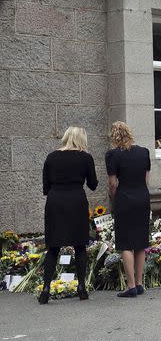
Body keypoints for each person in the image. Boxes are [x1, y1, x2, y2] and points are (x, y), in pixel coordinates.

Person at [39, 126, 98, 304]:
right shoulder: (86, 157)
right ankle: (81, 287)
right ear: (82, 139)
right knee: (80, 245)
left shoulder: (51, 157)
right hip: (76, 202)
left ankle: (46, 288)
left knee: (53, 247)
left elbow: (45, 187)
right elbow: (93, 184)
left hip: (55, 201)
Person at [106, 121, 151, 298]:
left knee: (125, 242)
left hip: (124, 198)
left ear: (115, 136)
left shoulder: (113, 155)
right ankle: (139, 283)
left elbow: (112, 182)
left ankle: (130, 285)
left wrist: (113, 195)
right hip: (142, 197)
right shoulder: (144, 152)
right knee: (140, 242)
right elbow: (147, 179)